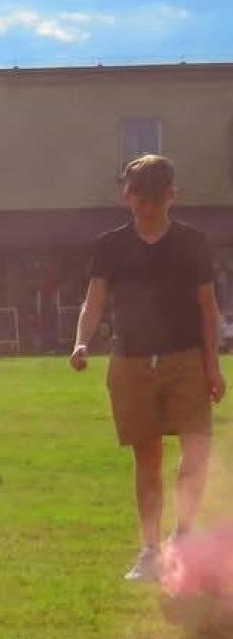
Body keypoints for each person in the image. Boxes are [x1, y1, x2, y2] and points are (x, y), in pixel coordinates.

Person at [71, 153, 227, 582]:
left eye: (156, 199)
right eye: (140, 199)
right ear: (127, 197)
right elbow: (95, 299)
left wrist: (213, 366)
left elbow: (207, 308)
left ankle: (183, 538)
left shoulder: (192, 243)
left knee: (196, 450)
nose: (149, 208)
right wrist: (81, 341)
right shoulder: (110, 246)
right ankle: (150, 550)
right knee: (148, 456)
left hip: (187, 360)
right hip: (132, 361)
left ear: (172, 196)